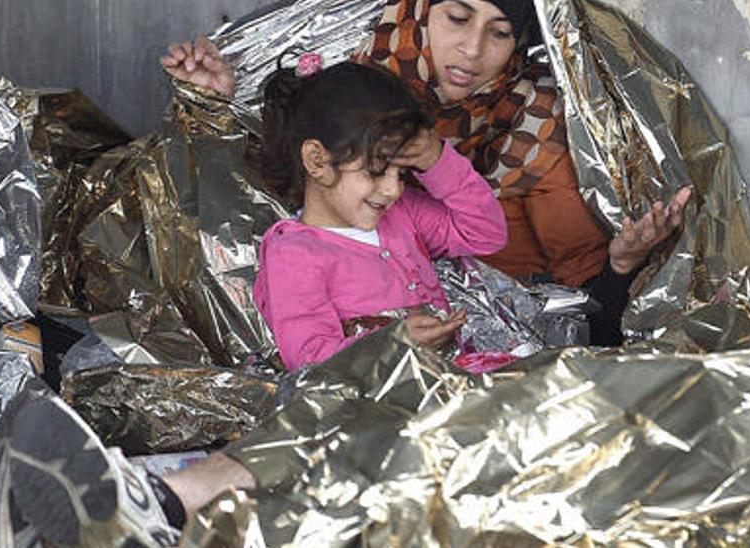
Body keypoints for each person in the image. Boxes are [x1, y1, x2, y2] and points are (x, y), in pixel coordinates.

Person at [161, 0, 691, 347]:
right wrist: (215, 105)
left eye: (501, 32)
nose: (473, 50)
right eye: (457, 18)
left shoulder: (529, 125)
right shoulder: (348, 101)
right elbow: (313, 355)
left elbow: (489, 235)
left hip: (484, 334)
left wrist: (436, 159)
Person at [250, 58, 506, 370]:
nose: (393, 190)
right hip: (377, 412)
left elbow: (485, 234)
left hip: (448, 384)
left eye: (402, 173)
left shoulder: (403, 212)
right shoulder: (293, 256)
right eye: (376, 171)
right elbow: (309, 361)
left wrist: (435, 159)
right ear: (317, 160)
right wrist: (394, 345)